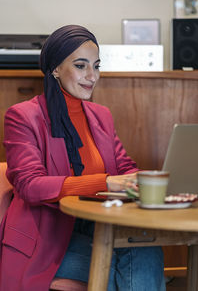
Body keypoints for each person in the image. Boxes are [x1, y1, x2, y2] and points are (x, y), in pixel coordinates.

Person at [0, 25, 166, 291]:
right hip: (46, 239)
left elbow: (124, 169)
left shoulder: (100, 115)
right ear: (55, 68)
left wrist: (145, 179)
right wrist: (105, 182)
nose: (92, 76)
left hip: (99, 225)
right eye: (81, 66)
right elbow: (30, 186)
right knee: (121, 266)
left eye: (96, 66)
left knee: (146, 249)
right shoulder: (23, 116)